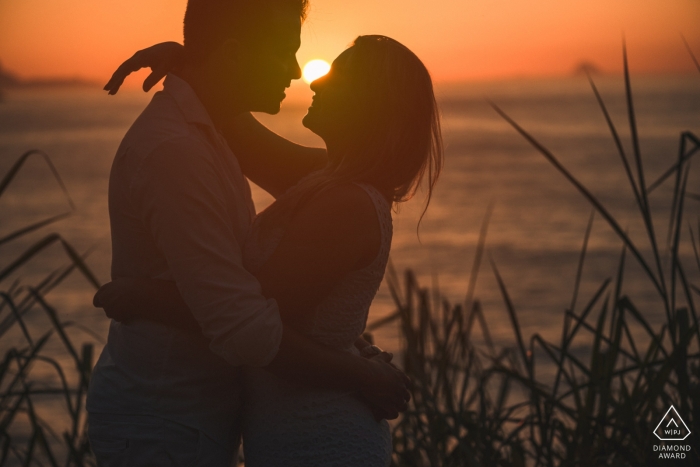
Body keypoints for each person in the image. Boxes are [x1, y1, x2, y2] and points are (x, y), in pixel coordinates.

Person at [86, 1, 412, 466]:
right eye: (286, 53)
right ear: (236, 54)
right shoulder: (181, 146)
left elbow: (258, 305)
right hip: (165, 417)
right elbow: (245, 318)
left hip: (200, 419)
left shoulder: (336, 187)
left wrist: (146, 297)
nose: (304, 74)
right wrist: (356, 368)